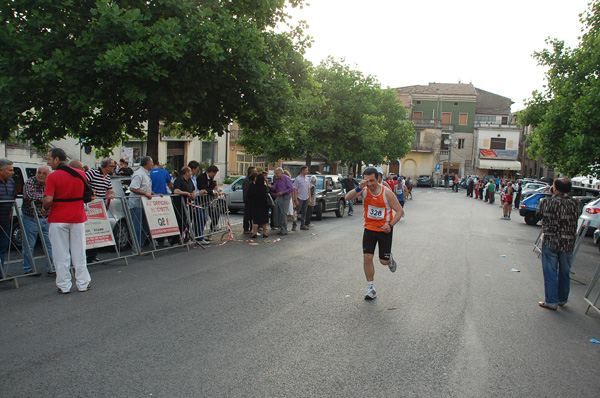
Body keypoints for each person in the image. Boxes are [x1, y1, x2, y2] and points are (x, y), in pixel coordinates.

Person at [345, 167, 404, 300]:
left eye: (372, 180)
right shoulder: (364, 191)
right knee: (367, 257)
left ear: (377, 178)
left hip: (384, 230)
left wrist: (390, 225)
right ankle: (371, 288)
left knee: (382, 261)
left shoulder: (386, 193)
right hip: (369, 229)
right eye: (367, 180)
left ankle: (389, 260)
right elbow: (347, 197)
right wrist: (359, 188)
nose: (370, 183)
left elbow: (399, 211)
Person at [43, 148, 91, 294]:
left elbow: (48, 200)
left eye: (49, 159)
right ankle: (83, 283)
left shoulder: (53, 177)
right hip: (77, 216)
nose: (48, 162)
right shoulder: (81, 174)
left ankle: (64, 285)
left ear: (57, 159)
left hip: (58, 217)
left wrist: (44, 206)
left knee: (60, 254)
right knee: (79, 252)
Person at [535, 178, 584, 310]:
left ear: (554, 188)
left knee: (550, 271)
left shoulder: (547, 202)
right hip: (568, 242)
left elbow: (538, 214)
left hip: (551, 240)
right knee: (564, 271)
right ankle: (562, 299)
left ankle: (551, 301)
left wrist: (552, 196)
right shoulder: (577, 203)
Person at [22, 166, 53, 276]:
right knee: (29, 245)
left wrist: (48, 200)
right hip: (31, 217)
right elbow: (30, 196)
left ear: (48, 175)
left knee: (50, 244)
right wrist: (47, 198)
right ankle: (28, 269)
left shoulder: (51, 182)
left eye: (44, 173)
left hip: (47, 218)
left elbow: (55, 196)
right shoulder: (30, 182)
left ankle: (51, 268)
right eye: (39, 172)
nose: (41, 175)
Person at [85, 158, 116, 262]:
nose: (114, 168)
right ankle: (87, 255)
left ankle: (92, 255)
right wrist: (89, 193)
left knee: (96, 230)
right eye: (113, 166)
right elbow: (82, 182)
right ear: (107, 167)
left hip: (100, 207)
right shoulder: (92, 172)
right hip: (90, 205)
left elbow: (110, 189)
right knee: (89, 230)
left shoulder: (107, 177)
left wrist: (111, 194)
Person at [128, 156, 154, 251]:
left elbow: (144, 187)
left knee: (146, 226)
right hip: (137, 204)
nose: (152, 164)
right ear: (147, 163)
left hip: (144, 204)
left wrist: (152, 193)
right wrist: (145, 193)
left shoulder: (146, 173)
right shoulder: (139, 174)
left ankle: (140, 245)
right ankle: (136, 247)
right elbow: (133, 188)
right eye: (151, 162)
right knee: (137, 227)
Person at [150, 161, 174, 247]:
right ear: (159, 165)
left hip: (151, 199)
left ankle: (154, 240)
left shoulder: (149, 172)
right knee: (165, 219)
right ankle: (165, 239)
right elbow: (170, 184)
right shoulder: (164, 172)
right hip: (163, 198)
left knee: (153, 219)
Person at [0, 158, 16, 279]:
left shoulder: (11, 182)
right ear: (1, 170)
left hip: (5, 221)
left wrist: (11, 211)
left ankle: (0, 272)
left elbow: (13, 198)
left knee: (3, 247)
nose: (12, 172)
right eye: (10, 170)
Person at [171, 166, 196, 244]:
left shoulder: (189, 180)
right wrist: (186, 193)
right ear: (186, 173)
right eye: (190, 172)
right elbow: (176, 191)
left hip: (187, 204)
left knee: (187, 221)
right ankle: (176, 240)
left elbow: (194, 189)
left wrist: (193, 194)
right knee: (180, 221)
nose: (191, 173)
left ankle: (185, 238)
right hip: (178, 204)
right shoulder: (179, 180)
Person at [197, 165, 223, 234]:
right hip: (201, 201)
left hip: (208, 201)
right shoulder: (201, 177)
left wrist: (213, 191)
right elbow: (203, 188)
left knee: (214, 215)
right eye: (215, 173)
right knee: (202, 218)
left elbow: (210, 188)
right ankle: (199, 233)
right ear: (211, 172)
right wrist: (212, 192)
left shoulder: (211, 179)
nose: (215, 175)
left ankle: (209, 231)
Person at [270, 167, 294, 236]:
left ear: (281, 173)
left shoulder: (286, 178)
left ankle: (284, 229)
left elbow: (291, 188)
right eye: (275, 173)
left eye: (277, 173)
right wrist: (270, 187)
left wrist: (283, 192)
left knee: (283, 212)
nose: (276, 175)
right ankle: (280, 227)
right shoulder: (277, 179)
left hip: (286, 196)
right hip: (280, 196)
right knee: (278, 211)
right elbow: (275, 186)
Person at [248, 173, 270, 238]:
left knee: (255, 219)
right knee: (264, 220)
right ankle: (264, 233)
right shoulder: (264, 187)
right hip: (264, 205)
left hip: (255, 205)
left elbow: (249, 195)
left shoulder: (253, 187)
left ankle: (254, 232)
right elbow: (267, 194)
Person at [293, 166, 311, 230]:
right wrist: (296, 199)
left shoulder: (307, 179)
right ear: (302, 171)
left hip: (306, 197)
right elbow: (295, 189)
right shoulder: (298, 179)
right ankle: (294, 225)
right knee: (297, 212)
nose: (307, 171)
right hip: (299, 197)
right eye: (306, 170)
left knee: (304, 212)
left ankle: (302, 225)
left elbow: (309, 189)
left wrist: (310, 198)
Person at [242, 166, 256, 234]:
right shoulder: (246, 180)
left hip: (251, 201)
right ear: (251, 172)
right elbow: (246, 192)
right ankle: (246, 228)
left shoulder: (250, 180)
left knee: (251, 215)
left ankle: (251, 228)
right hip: (248, 201)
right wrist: (247, 201)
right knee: (247, 215)